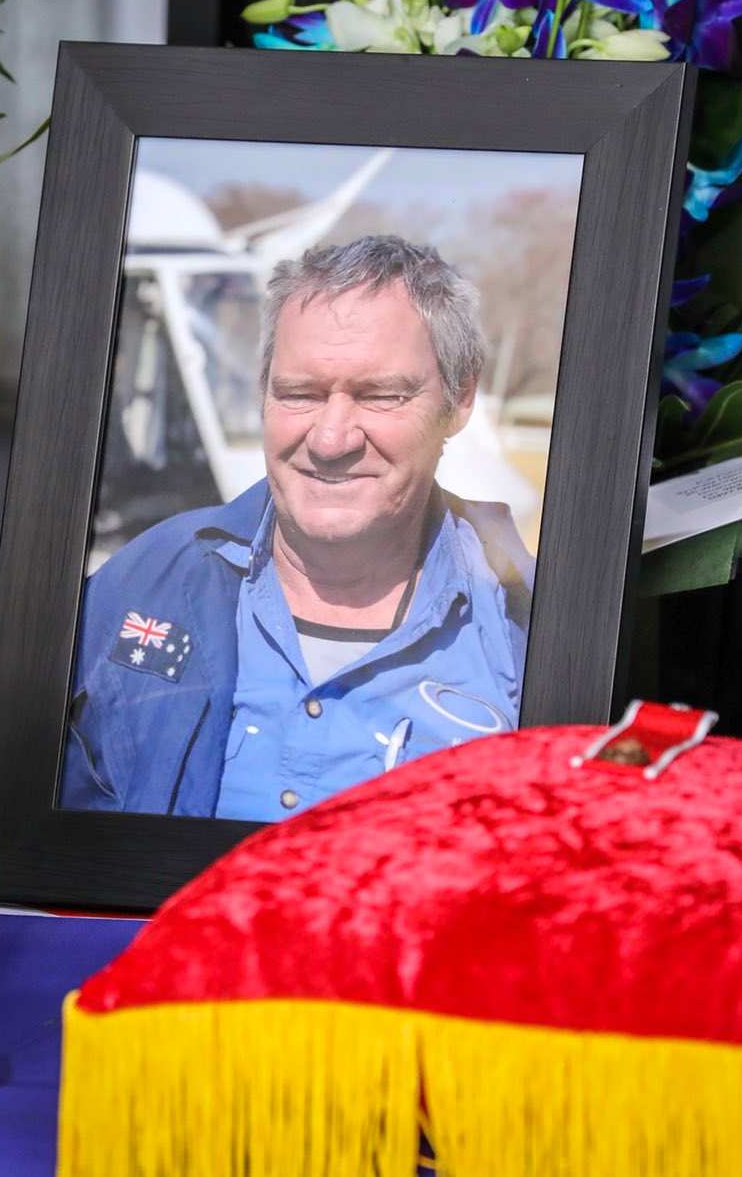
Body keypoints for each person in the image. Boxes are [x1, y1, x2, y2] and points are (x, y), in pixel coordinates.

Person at [62, 235, 532, 818]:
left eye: (380, 395)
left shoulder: (523, 629)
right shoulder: (145, 581)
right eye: (299, 394)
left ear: (458, 401)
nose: (331, 440)